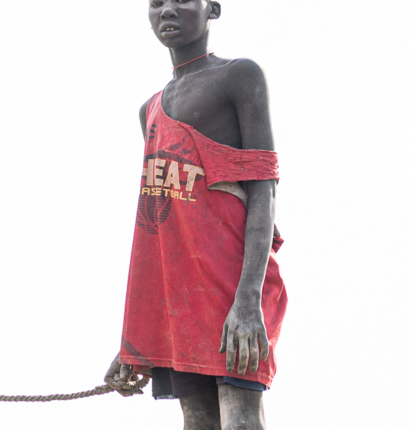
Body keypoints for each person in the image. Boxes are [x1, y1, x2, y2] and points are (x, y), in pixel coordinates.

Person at [103, 1, 287, 429]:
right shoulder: (149, 109)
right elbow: (157, 228)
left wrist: (247, 301)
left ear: (213, 10)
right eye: (156, 3)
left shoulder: (239, 76)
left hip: (233, 284)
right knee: (198, 421)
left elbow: (264, 188)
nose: (167, 9)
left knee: (241, 418)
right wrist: (136, 341)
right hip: (179, 300)